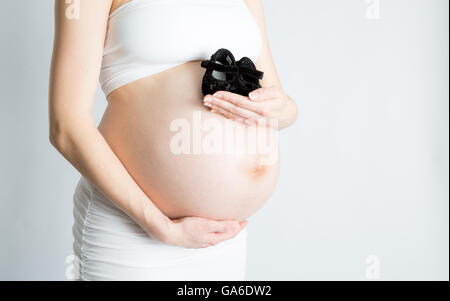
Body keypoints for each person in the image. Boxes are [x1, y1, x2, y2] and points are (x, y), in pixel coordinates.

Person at [49, 0, 298, 280]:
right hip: (135, 232)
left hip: (222, 239)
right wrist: (161, 228)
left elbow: (282, 106)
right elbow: (66, 126)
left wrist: (284, 108)